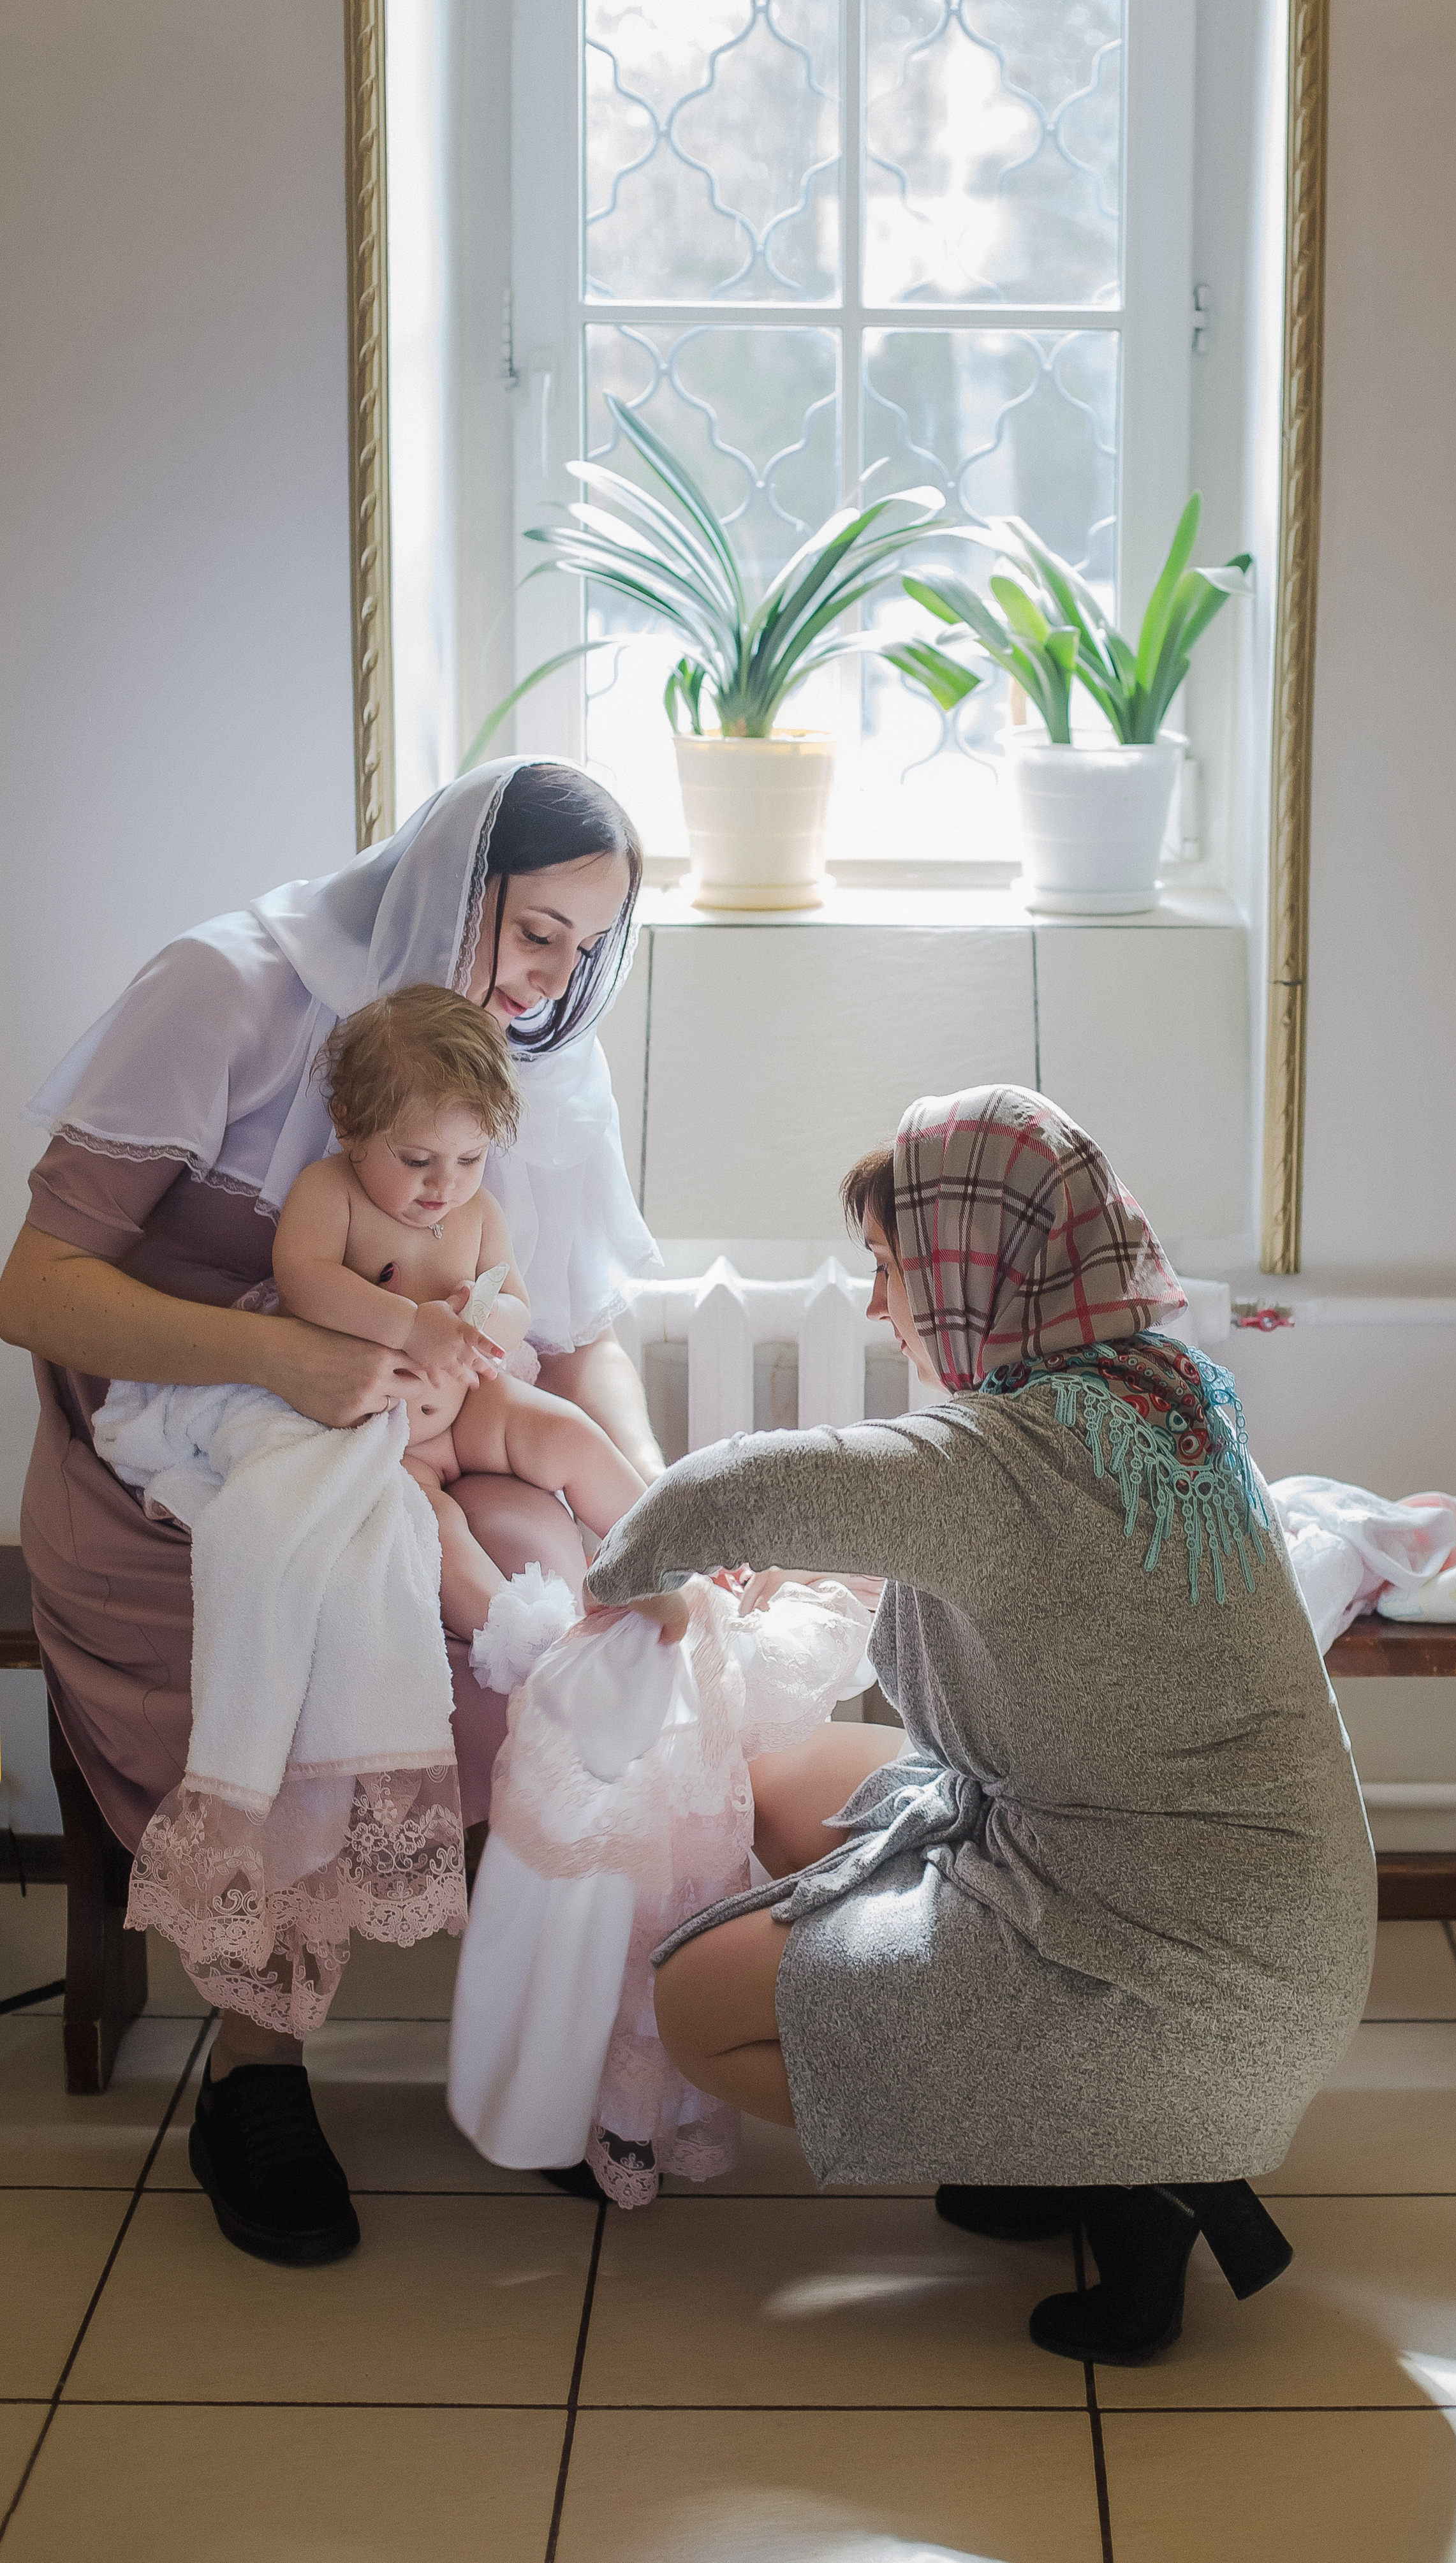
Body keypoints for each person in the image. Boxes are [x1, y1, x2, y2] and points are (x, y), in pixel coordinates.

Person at [583, 1084, 1376, 2365]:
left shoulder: (1009, 1457)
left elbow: (727, 1488)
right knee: (779, 1779)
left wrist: (605, 1585)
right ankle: (1048, 2141)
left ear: (972, 1268)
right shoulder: (1163, 1391)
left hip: (1175, 1977)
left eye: (887, 1266)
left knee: (694, 2007)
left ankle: (1136, 2168)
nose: (874, 1304)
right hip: (1255, 1923)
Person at [0, 756, 665, 2267]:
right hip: (184, 1436)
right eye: (533, 930)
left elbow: (579, 1331)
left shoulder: (537, 1058)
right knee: (298, 1593)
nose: (551, 978)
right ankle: (256, 2064)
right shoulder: (229, 990)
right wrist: (289, 1359)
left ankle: (539, 2041)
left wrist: (653, 1502)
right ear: (452, 882)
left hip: (414, 1420)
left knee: (554, 1597)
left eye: (586, 946)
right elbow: (34, 1288)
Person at [274, 984, 647, 1641]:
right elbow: (304, 1280)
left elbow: (514, 1302)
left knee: (570, 1434)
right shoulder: (332, 1194)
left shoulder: (476, 1212)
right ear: (349, 1124)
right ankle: (522, 1636)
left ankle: (668, 1549)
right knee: (428, 1528)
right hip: (388, 1436)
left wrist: (484, 1318)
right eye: (417, 1160)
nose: (444, 1184)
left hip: (470, 1405)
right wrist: (410, 1324)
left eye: (470, 1159)